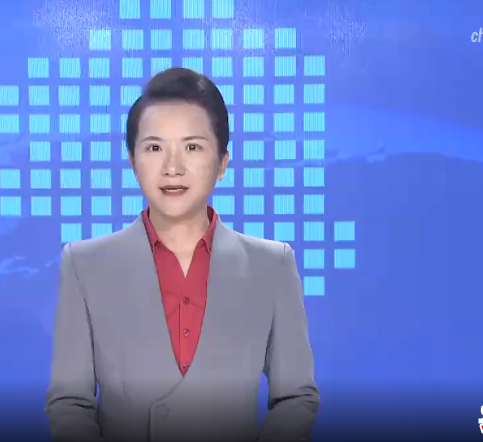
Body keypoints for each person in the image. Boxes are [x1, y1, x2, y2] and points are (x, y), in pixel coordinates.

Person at [46, 67, 320, 442]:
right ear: (133, 162)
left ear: (222, 162)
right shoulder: (84, 265)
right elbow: (69, 404)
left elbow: (296, 397)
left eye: (192, 147)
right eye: (154, 147)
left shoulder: (273, 266)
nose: (172, 168)